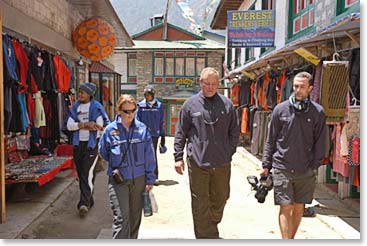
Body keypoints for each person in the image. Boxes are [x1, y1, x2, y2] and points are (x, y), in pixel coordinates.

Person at [174, 67, 240, 239]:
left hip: (221, 163)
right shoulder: (190, 105)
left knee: (221, 198)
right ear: (200, 82)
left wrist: (228, 152)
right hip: (198, 163)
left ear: (218, 84)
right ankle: (206, 237)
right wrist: (178, 157)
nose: (210, 87)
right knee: (200, 203)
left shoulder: (227, 105)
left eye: (213, 84)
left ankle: (211, 227)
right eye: (206, 83)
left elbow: (234, 132)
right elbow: (181, 131)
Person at [261, 71, 326, 239]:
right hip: (282, 167)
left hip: (305, 169)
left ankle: (291, 238)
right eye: (295, 86)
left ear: (310, 88)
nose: (297, 90)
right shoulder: (280, 110)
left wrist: (315, 164)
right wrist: (266, 165)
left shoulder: (318, 112)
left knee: (298, 207)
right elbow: (271, 139)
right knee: (285, 206)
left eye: (302, 87)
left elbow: (321, 141)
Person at [99, 94, 156, 239]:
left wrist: (150, 179)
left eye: (133, 111)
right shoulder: (110, 131)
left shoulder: (142, 130)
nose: (130, 114)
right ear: (119, 110)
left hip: (139, 179)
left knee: (135, 218)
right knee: (122, 218)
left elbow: (149, 156)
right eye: (126, 111)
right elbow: (104, 153)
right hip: (119, 180)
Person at [66, 82, 110, 217]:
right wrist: (85, 124)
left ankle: (83, 203)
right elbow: (69, 126)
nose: (79, 94)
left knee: (86, 172)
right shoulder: (76, 107)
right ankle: (89, 199)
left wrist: (79, 125)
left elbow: (98, 125)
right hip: (78, 144)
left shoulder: (96, 107)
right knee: (82, 174)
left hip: (91, 145)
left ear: (90, 94)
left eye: (82, 92)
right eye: (79, 92)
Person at [137, 85, 165, 185]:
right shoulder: (140, 106)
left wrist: (163, 136)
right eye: (146, 95)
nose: (147, 97)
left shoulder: (159, 105)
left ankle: (154, 176)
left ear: (153, 95)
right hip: (143, 135)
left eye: (149, 95)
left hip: (154, 135)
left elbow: (161, 121)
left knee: (152, 156)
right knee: (142, 155)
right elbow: (137, 121)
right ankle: (143, 176)